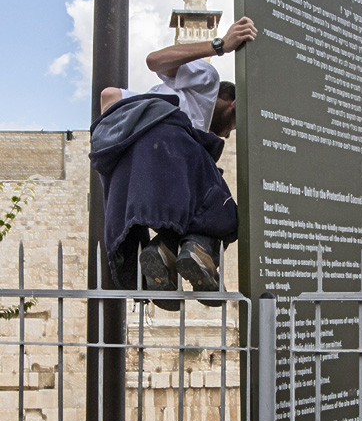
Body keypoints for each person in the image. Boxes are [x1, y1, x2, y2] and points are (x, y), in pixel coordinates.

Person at [89, 16, 257, 307]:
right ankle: (198, 252)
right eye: (232, 126)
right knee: (223, 208)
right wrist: (221, 45)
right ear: (233, 103)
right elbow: (155, 60)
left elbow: (109, 96)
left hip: (125, 171)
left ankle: (163, 252)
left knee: (191, 206)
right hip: (167, 144)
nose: (227, 135)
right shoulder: (208, 85)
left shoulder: (152, 101)